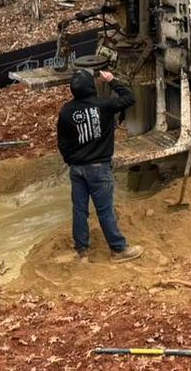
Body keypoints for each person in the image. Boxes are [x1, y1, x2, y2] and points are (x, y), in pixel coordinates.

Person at [57, 67, 143, 261]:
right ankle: (118, 250)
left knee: (79, 209)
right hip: (99, 168)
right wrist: (113, 80)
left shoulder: (66, 111)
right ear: (91, 87)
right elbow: (129, 98)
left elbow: (62, 142)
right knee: (105, 210)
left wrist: (71, 160)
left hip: (77, 169)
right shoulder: (104, 105)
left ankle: (82, 251)